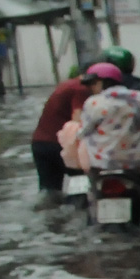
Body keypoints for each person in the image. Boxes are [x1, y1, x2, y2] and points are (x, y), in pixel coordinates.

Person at [78, 64, 140, 223]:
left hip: (102, 162)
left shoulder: (92, 103)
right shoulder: (135, 98)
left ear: (105, 82)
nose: (91, 87)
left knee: (92, 188)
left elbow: (83, 131)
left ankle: (94, 218)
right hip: (135, 160)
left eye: (93, 83)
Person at [29, 67, 98, 208]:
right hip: (59, 145)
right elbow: (77, 121)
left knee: (49, 190)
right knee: (80, 182)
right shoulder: (81, 89)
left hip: (39, 143)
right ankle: (76, 213)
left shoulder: (67, 85)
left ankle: (50, 219)